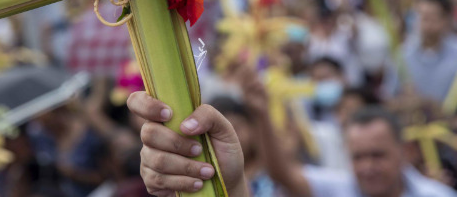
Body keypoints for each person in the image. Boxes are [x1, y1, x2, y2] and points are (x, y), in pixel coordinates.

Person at [127, 92, 457, 197]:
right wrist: (228, 184)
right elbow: (285, 174)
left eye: (378, 155)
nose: (367, 167)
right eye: (358, 157)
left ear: (405, 151)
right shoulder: (339, 187)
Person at [403, 0, 457, 102]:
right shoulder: (403, 55)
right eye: (421, 16)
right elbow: (388, 96)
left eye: (431, 17)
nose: (425, 23)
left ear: (445, 20)